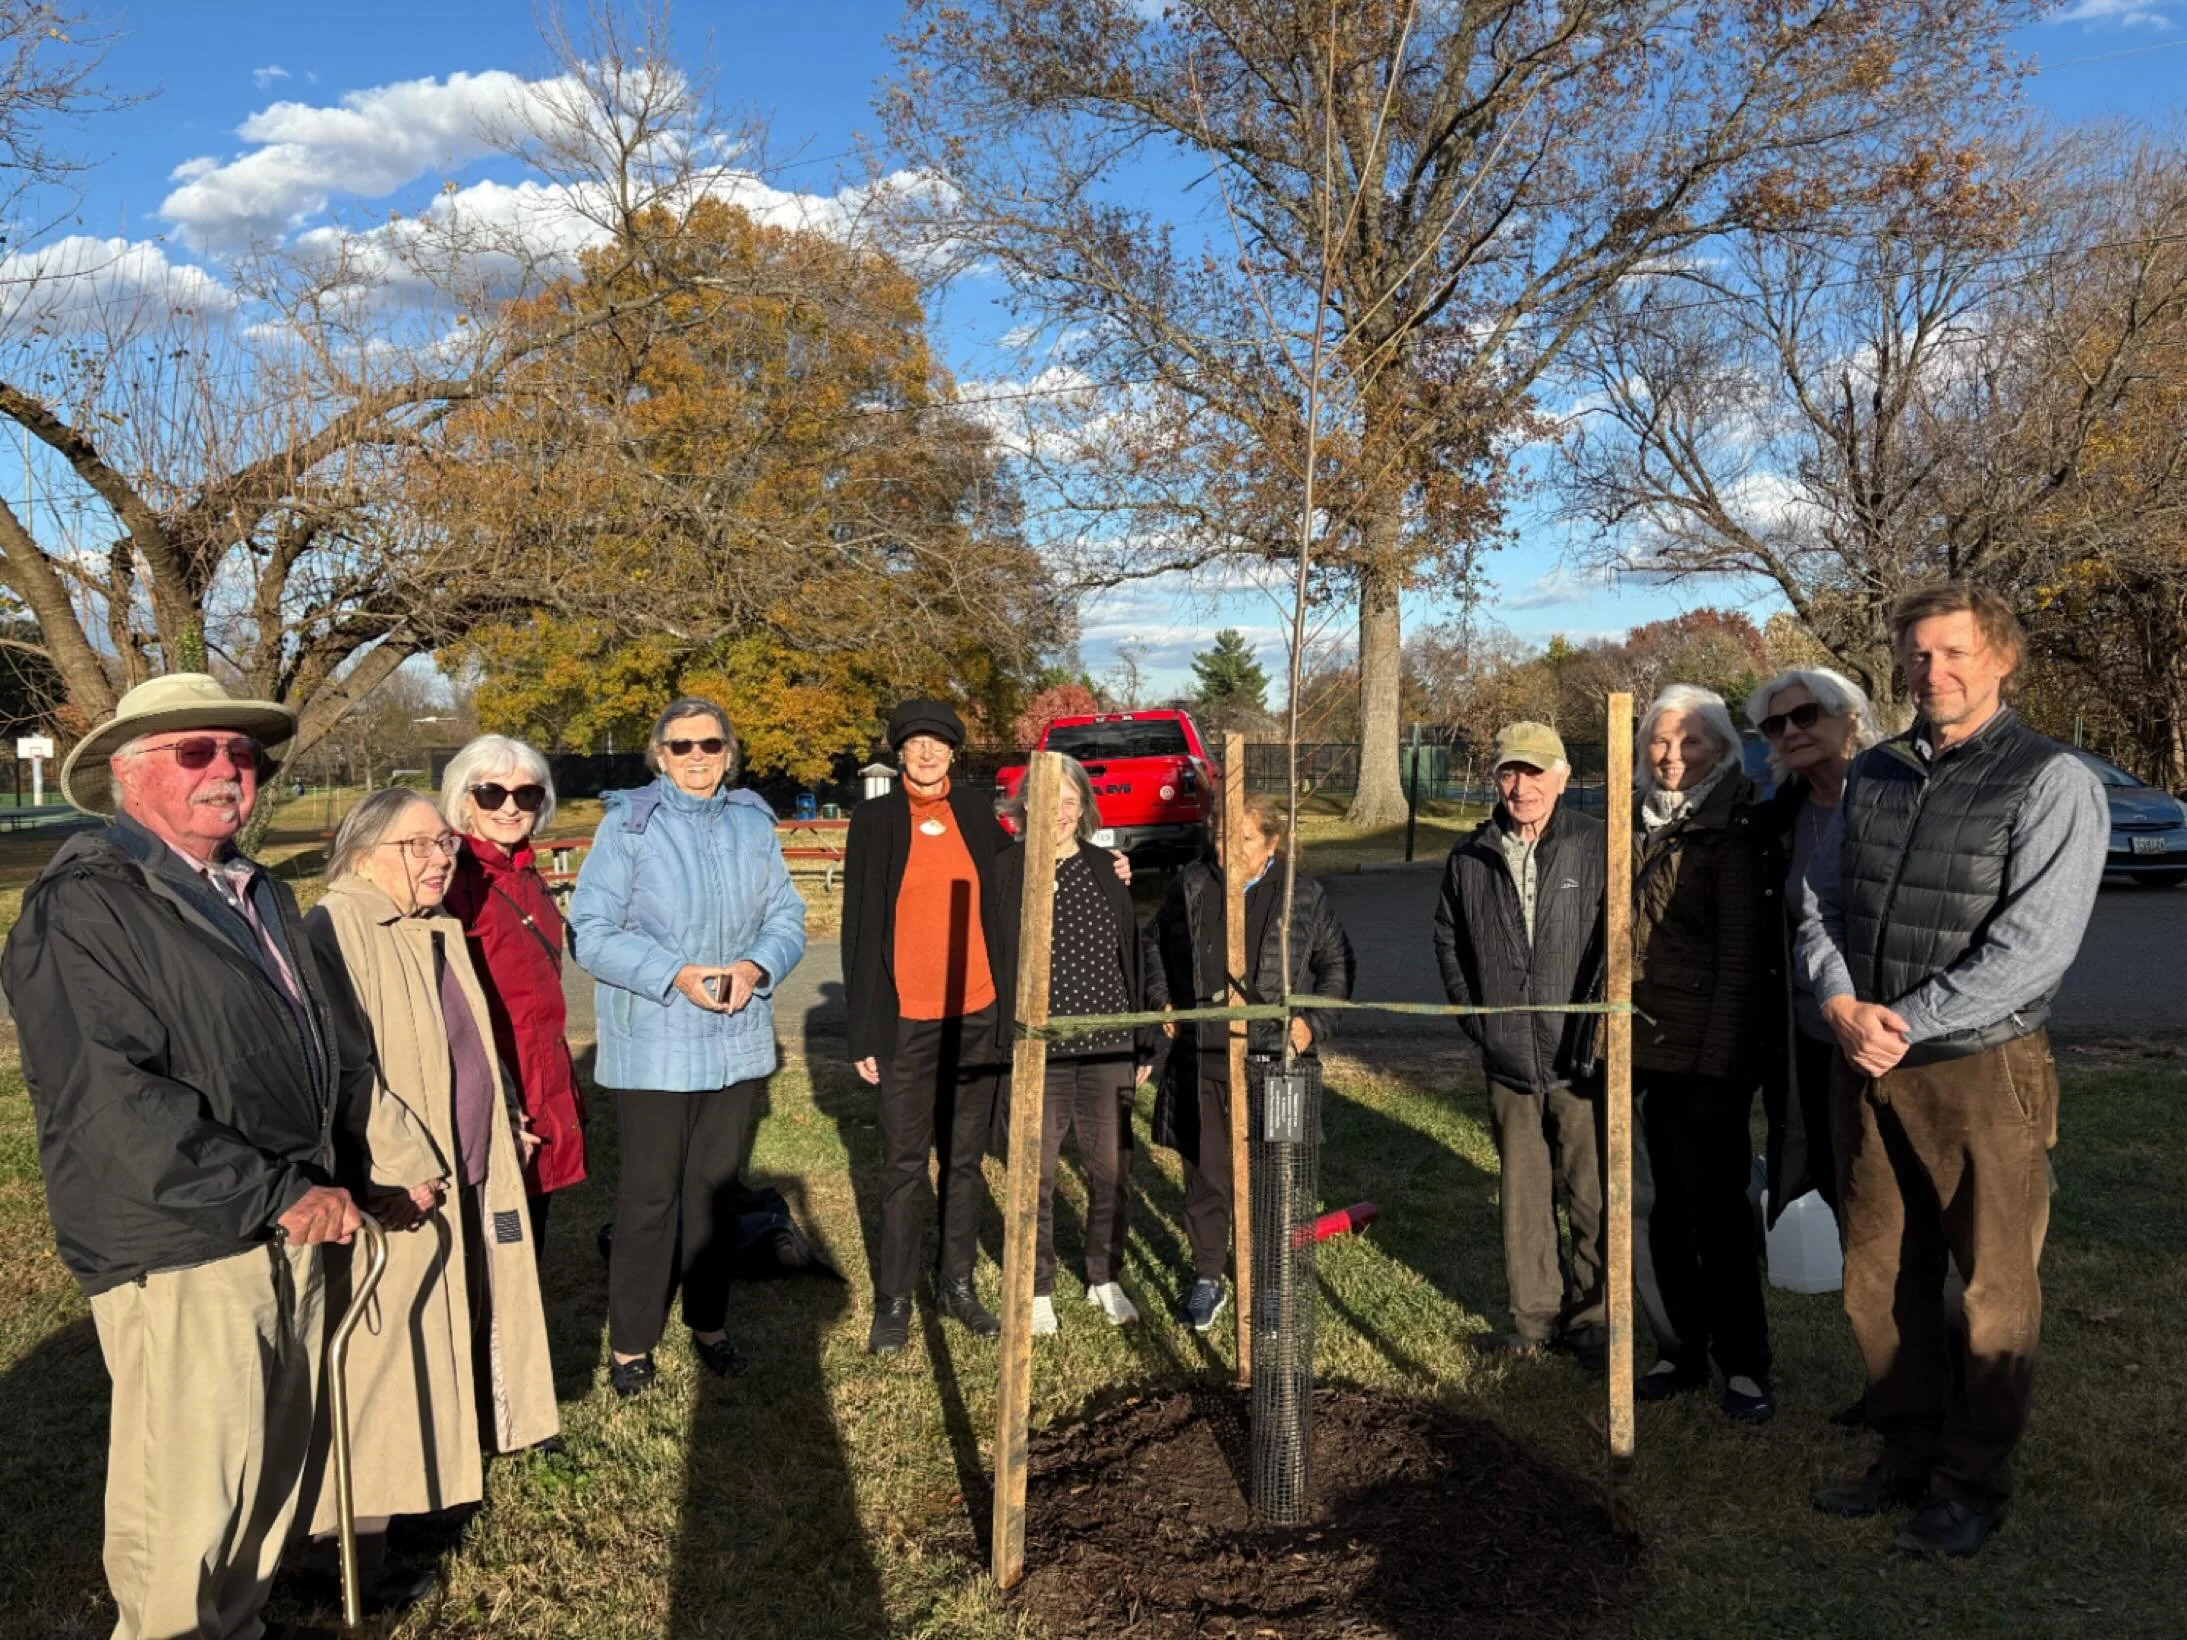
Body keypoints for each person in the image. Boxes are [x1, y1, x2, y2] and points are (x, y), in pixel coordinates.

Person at [2, 672, 364, 1640]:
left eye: (240, 753)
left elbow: (319, 1046)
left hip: (283, 1221)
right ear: (128, 776)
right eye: (195, 752)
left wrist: (347, 1176)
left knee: (266, 1489)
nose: (226, 771)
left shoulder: (259, 891)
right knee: (182, 1528)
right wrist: (278, 1191)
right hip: (183, 1242)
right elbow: (116, 1105)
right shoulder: (86, 901)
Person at [1800, 583, 2106, 1558]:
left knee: (1993, 1286)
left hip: (1983, 1066)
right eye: (1919, 653)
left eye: (1954, 651)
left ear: (2002, 657)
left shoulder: (2053, 780)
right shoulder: (1877, 771)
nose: (1934, 670)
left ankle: (1970, 1480)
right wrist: (1838, 999)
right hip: (1867, 1057)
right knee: (1879, 1274)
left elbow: (2034, 945)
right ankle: (1905, 1449)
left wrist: (1910, 1020)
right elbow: (1820, 899)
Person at [300, 788, 560, 1604]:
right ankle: (347, 1559)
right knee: (382, 1357)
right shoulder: (334, 930)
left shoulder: (433, 927)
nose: (439, 858)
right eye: (417, 845)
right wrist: (390, 1164)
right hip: (398, 1188)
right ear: (360, 853)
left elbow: (464, 1043)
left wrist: (508, 1109)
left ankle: (429, 1495)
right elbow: (345, 1069)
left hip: (469, 1170)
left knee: (449, 1333)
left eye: (444, 844)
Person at [569, 697, 807, 1396]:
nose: (697, 757)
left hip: (734, 1039)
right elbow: (590, 931)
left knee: (713, 1194)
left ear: (729, 753)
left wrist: (755, 966)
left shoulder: (751, 823)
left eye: (709, 745)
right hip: (655, 1042)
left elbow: (787, 915)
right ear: (659, 755)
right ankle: (631, 1343)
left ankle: (709, 1323)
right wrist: (674, 975)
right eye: (681, 747)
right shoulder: (628, 825)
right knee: (650, 1197)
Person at [1144, 787, 1354, 1332]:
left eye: (1242, 838)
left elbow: (1337, 965)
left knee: (1272, 1178)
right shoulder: (1192, 885)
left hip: (1273, 1065)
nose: (1227, 847)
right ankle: (1208, 1276)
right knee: (1208, 1174)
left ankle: (1270, 1283)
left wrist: (1311, 1024)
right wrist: (1163, 999)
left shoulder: (1300, 896)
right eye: (1219, 834)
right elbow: (1154, 945)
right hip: (1205, 1062)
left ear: (1271, 842)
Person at [1431, 721, 1608, 1370]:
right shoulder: (1469, 856)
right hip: (1506, 1060)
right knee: (1524, 1198)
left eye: (1535, 772)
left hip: (1580, 1060)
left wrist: (1601, 1031)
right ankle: (1534, 1318)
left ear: (1562, 777)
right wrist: (1478, 1022)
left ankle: (1595, 1324)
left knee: (1590, 1196)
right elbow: (1449, 943)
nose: (1521, 785)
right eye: (1510, 771)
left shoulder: (1597, 845)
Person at [842, 698, 1014, 1354]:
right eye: (913, 743)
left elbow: (1020, 879)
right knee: (904, 1162)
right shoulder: (875, 819)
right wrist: (864, 1032)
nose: (924, 753)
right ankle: (893, 1299)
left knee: (964, 1159)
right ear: (896, 751)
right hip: (905, 1018)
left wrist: (1101, 864)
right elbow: (858, 929)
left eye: (936, 743)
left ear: (952, 752)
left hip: (976, 1010)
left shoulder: (975, 812)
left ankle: (957, 1285)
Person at [1629, 684, 1773, 1422]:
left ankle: (1743, 1364)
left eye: (1689, 742)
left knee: (1716, 1212)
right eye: (1658, 740)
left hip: (1706, 1061)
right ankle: (1677, 1348)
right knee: (1656, 1211)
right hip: (1641, 1047)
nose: (1671, 755)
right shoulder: (1637, 824)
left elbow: (1741, 963)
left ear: (1720, 749)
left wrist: (1718, 1071)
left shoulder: (1733, 830)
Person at [992, 757, 1160, 1337]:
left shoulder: (1107, 870)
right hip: (1041, 1049)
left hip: (1109, 1044)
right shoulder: (1006, 873)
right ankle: (1037, 1286)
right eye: (1048, 798)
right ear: (1026, 807)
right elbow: (994, 963)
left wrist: (1142, 1042)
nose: (1060, 812)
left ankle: (1103, 1275)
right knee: (1034, 1171)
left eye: (1071, 800)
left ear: (1083, 809)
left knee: (1110, 1168)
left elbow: (1129, 959)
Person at [439, 734, 587, 1258]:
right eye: (490, 793)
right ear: (463, 799)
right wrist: (496, 1101)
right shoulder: (452, 880)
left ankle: (526, 1341)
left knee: (526, 1243)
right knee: (492, 1250)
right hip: (493, 1088)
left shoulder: (526, 873)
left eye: (526, 795)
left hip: (540, 1079)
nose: (509, 807)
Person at [1743, 670, 1880, 1230]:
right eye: (1776, 724)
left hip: (1887, 1035)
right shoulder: (1776, 820)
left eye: (1806, 715)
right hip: (1808, 1042)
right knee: (1830, 1182)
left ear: (1849, 717)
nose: (1790, 732)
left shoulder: (1896, 804)